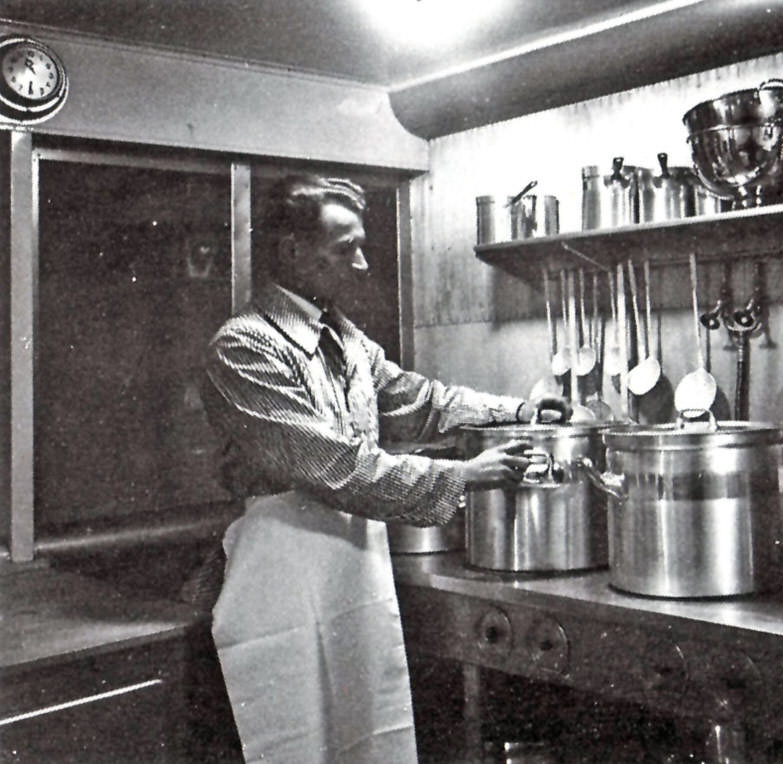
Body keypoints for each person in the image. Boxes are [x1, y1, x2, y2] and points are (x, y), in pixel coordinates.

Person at [198, 174, 569, 763]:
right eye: (345, 249)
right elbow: (333, 466)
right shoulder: (244, 347)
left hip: (352, 562)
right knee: (294, 736)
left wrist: (519, 411)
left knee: (367, 728)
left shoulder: (345, 341)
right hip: (281, 572)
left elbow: (421, 403)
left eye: (363, 245)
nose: (364, 264)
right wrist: (462, 477)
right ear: (293, 251)